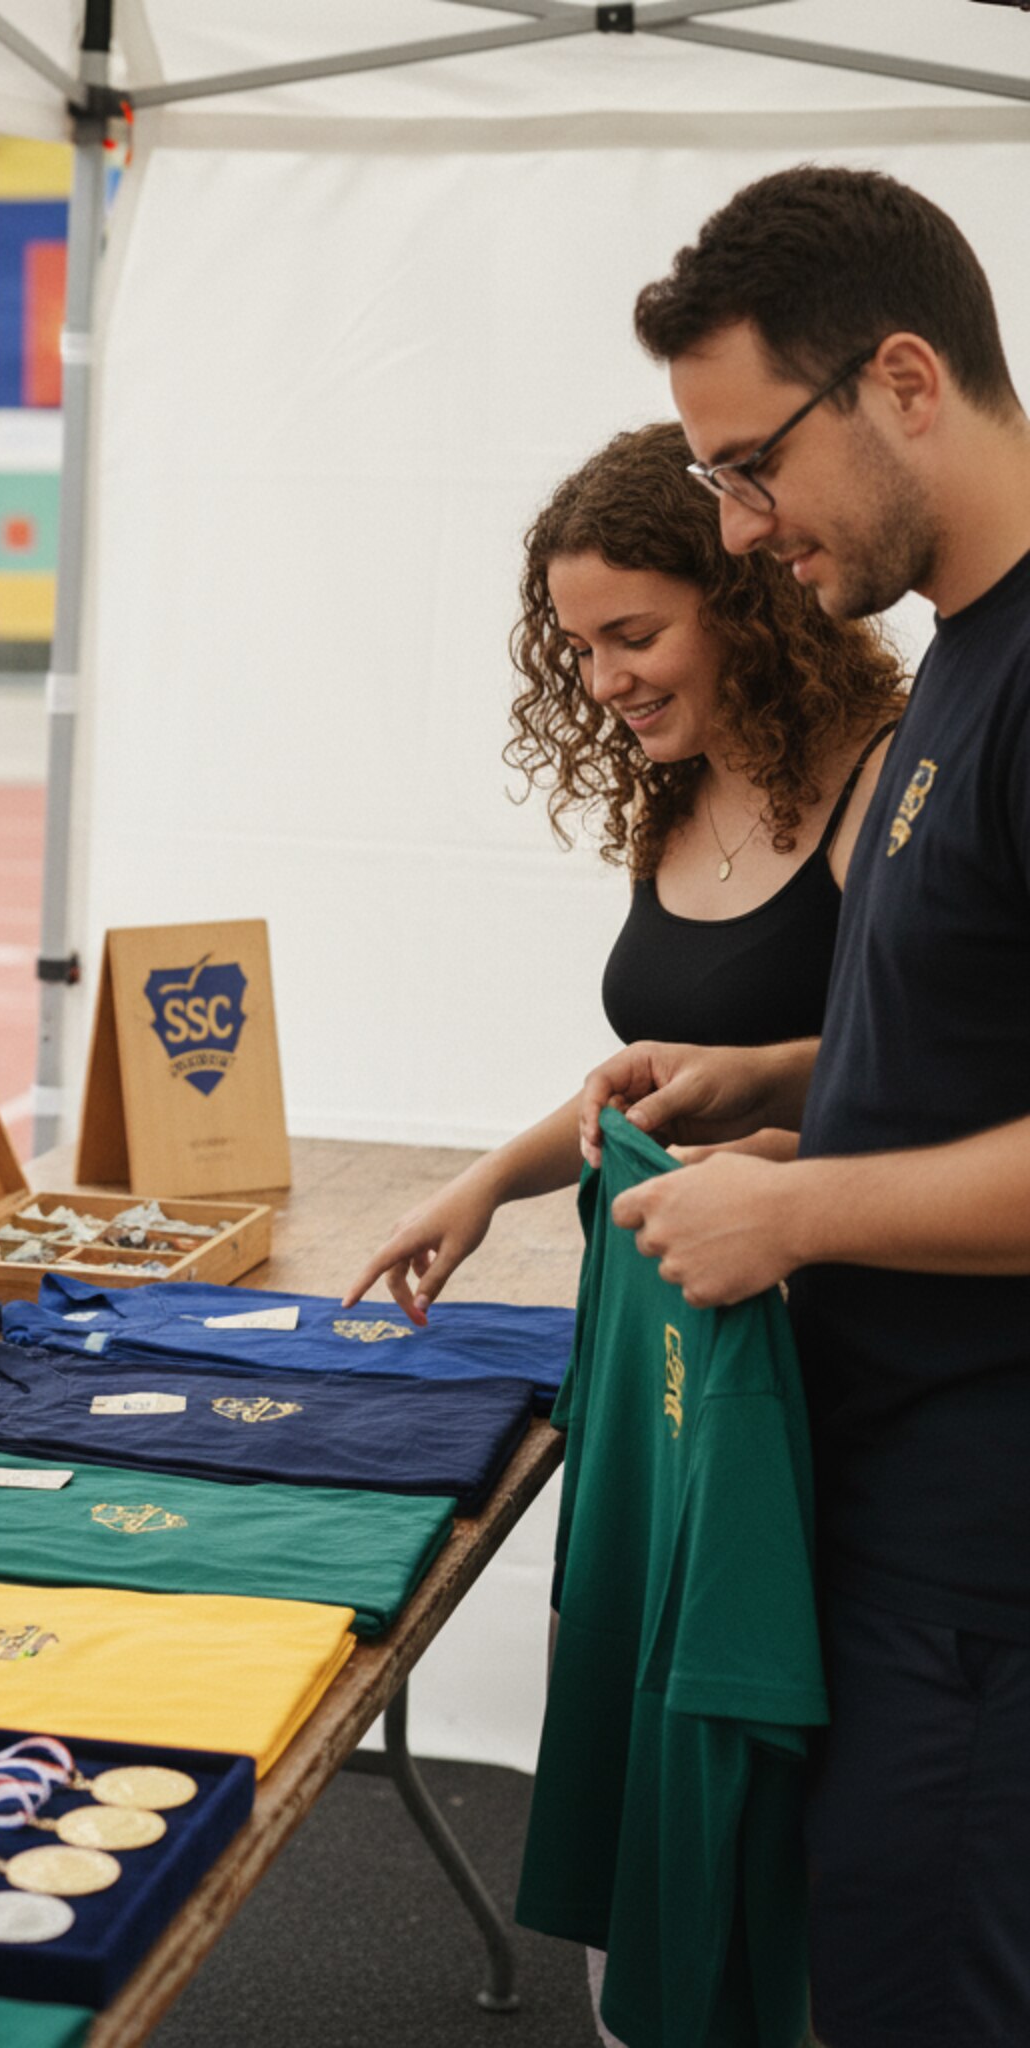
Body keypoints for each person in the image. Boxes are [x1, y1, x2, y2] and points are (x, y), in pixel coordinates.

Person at [581, 166, 1030, 2047]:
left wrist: (800, 1211)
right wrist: (797, 1099)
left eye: (753, 465)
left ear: (904, 378)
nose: (743, 527)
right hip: (901, 1511)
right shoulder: (950, 660)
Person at [345, 420, 901, 1321]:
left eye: (634, 637)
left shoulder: (894, 783)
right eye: (578, 648)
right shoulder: (676, 791)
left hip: (844, 1339)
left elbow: (944, 1087)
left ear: (749, 609)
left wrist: (776, 1163)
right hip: (678, 1317)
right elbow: (655, 1095)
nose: (603, 682)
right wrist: (489, 1182)